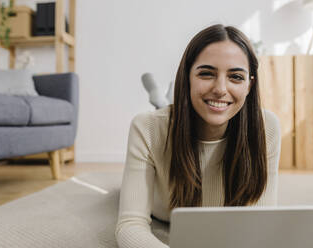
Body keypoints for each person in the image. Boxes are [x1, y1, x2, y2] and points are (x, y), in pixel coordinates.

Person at [115, 24, 281, 248]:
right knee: (161, 113)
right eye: (206, 73)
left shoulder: (266, 126)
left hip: (192, 108)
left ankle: (161, 98)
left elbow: (259, 226)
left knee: (173, 107)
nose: (221, 88)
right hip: (163, 211)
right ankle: (160, 98)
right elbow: (130, 225)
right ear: (187, 77)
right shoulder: (145, 127)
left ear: (250, 85)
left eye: (235, 77)